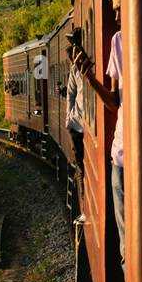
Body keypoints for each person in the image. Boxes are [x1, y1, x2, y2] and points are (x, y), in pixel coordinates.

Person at [73, 0, 125, 282]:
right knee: (125, 253)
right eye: (115, 10)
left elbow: (115, 103)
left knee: (127, 252)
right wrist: (90, 78)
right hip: (120, 158)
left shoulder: (130, 40)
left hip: (127, 162)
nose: (118, 15)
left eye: (121, 8)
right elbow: (116, 102)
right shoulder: (119, 43)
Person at [65, 28, 85, 176]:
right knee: (79, 162)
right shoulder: (74, 69)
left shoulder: (88, 66)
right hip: (75, 123)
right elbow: (70, 94)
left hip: (83, 123)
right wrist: (68, 118)